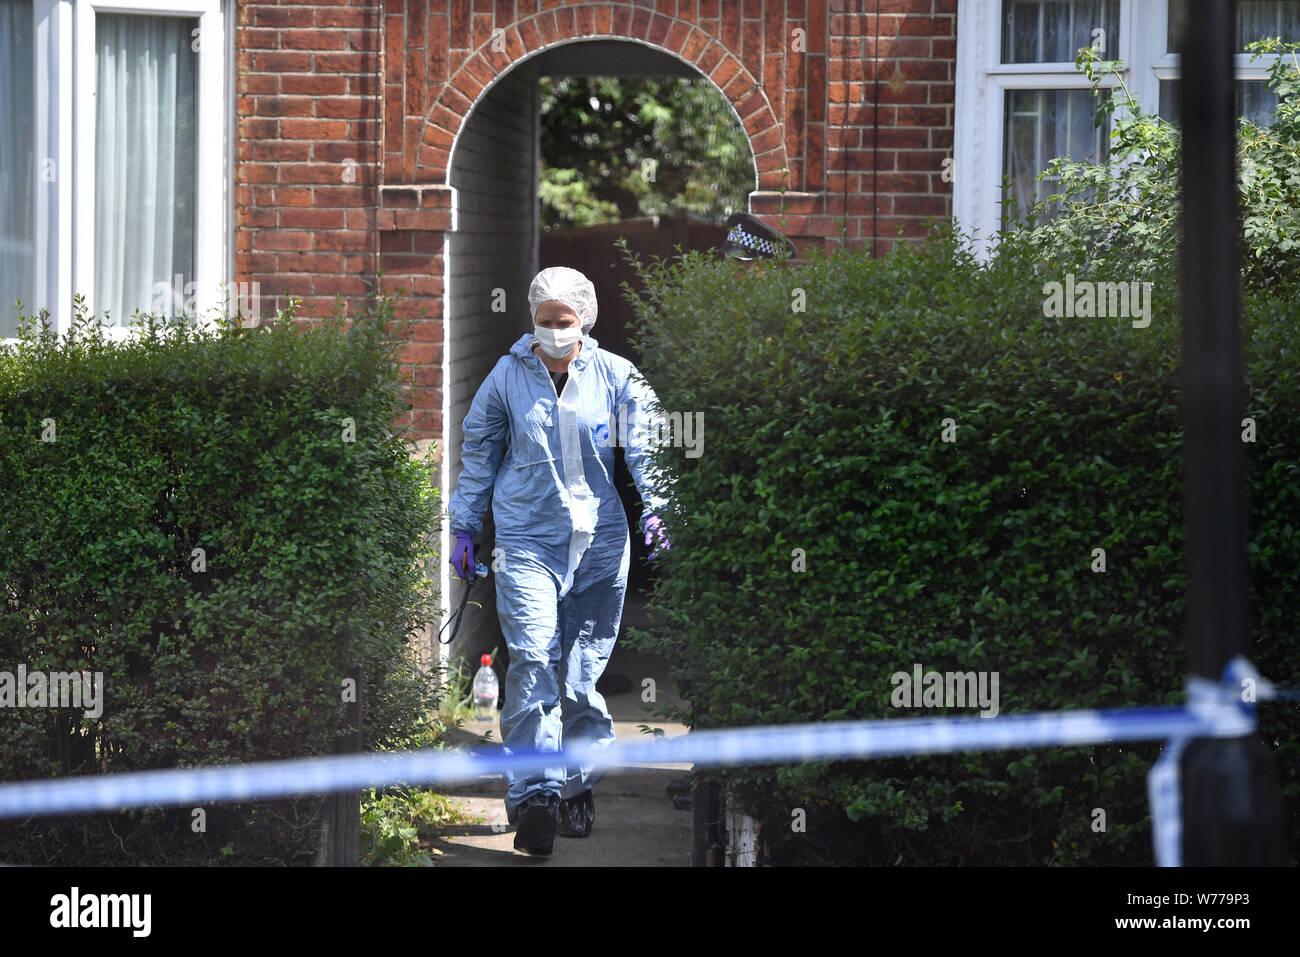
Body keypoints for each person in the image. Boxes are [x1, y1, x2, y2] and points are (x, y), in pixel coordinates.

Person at [446, 265, 671, 857]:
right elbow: (480, 449)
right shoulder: (507, 375)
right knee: (533, 659)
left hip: (599, 542)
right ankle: (537, 794)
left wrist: (659, 506)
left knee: (580, 673)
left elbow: (648, 443)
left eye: (562, 322)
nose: (550, 331)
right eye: (542, 321)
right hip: (527, 540)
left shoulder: (616, 376)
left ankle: (577, 784)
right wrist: (466, 524)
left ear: (584, 320)